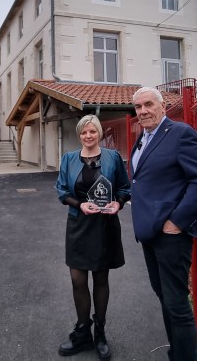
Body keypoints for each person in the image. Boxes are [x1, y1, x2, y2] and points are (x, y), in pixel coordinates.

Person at [129, 86, 197, 361]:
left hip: (171, 236)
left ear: (163, 107)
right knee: (164, 297)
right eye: (138, 107)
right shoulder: (143, 137)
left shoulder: (180, 134)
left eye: (148, 104)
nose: (143, 111)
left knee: (176, 303)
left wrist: (177, 221)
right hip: (150, 234)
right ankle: (176, 353)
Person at [55, 114, 131, 359]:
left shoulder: (112, 157)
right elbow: (62, 190)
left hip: (104, 226)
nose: (88, 136)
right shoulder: (69, 159)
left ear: (99, 133)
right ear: (79, 135)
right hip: (78, 224)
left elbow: (124, 188)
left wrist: (119, 203)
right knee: (77, 279)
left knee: (100, 278)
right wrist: (79, 204)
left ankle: (99, 333)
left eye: (92, 131)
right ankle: (82, 332)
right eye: (84, 132)